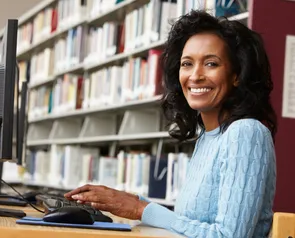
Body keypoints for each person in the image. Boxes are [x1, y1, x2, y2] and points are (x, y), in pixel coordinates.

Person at [64, 10, 277, 238]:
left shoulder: (246, 132)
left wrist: (140, 209)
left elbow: (229, 235)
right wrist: (129, 202)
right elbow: (191, 223)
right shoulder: (208, 137)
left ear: (237, 75)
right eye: (187, 64)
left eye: (211, 64)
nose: (195, 76)